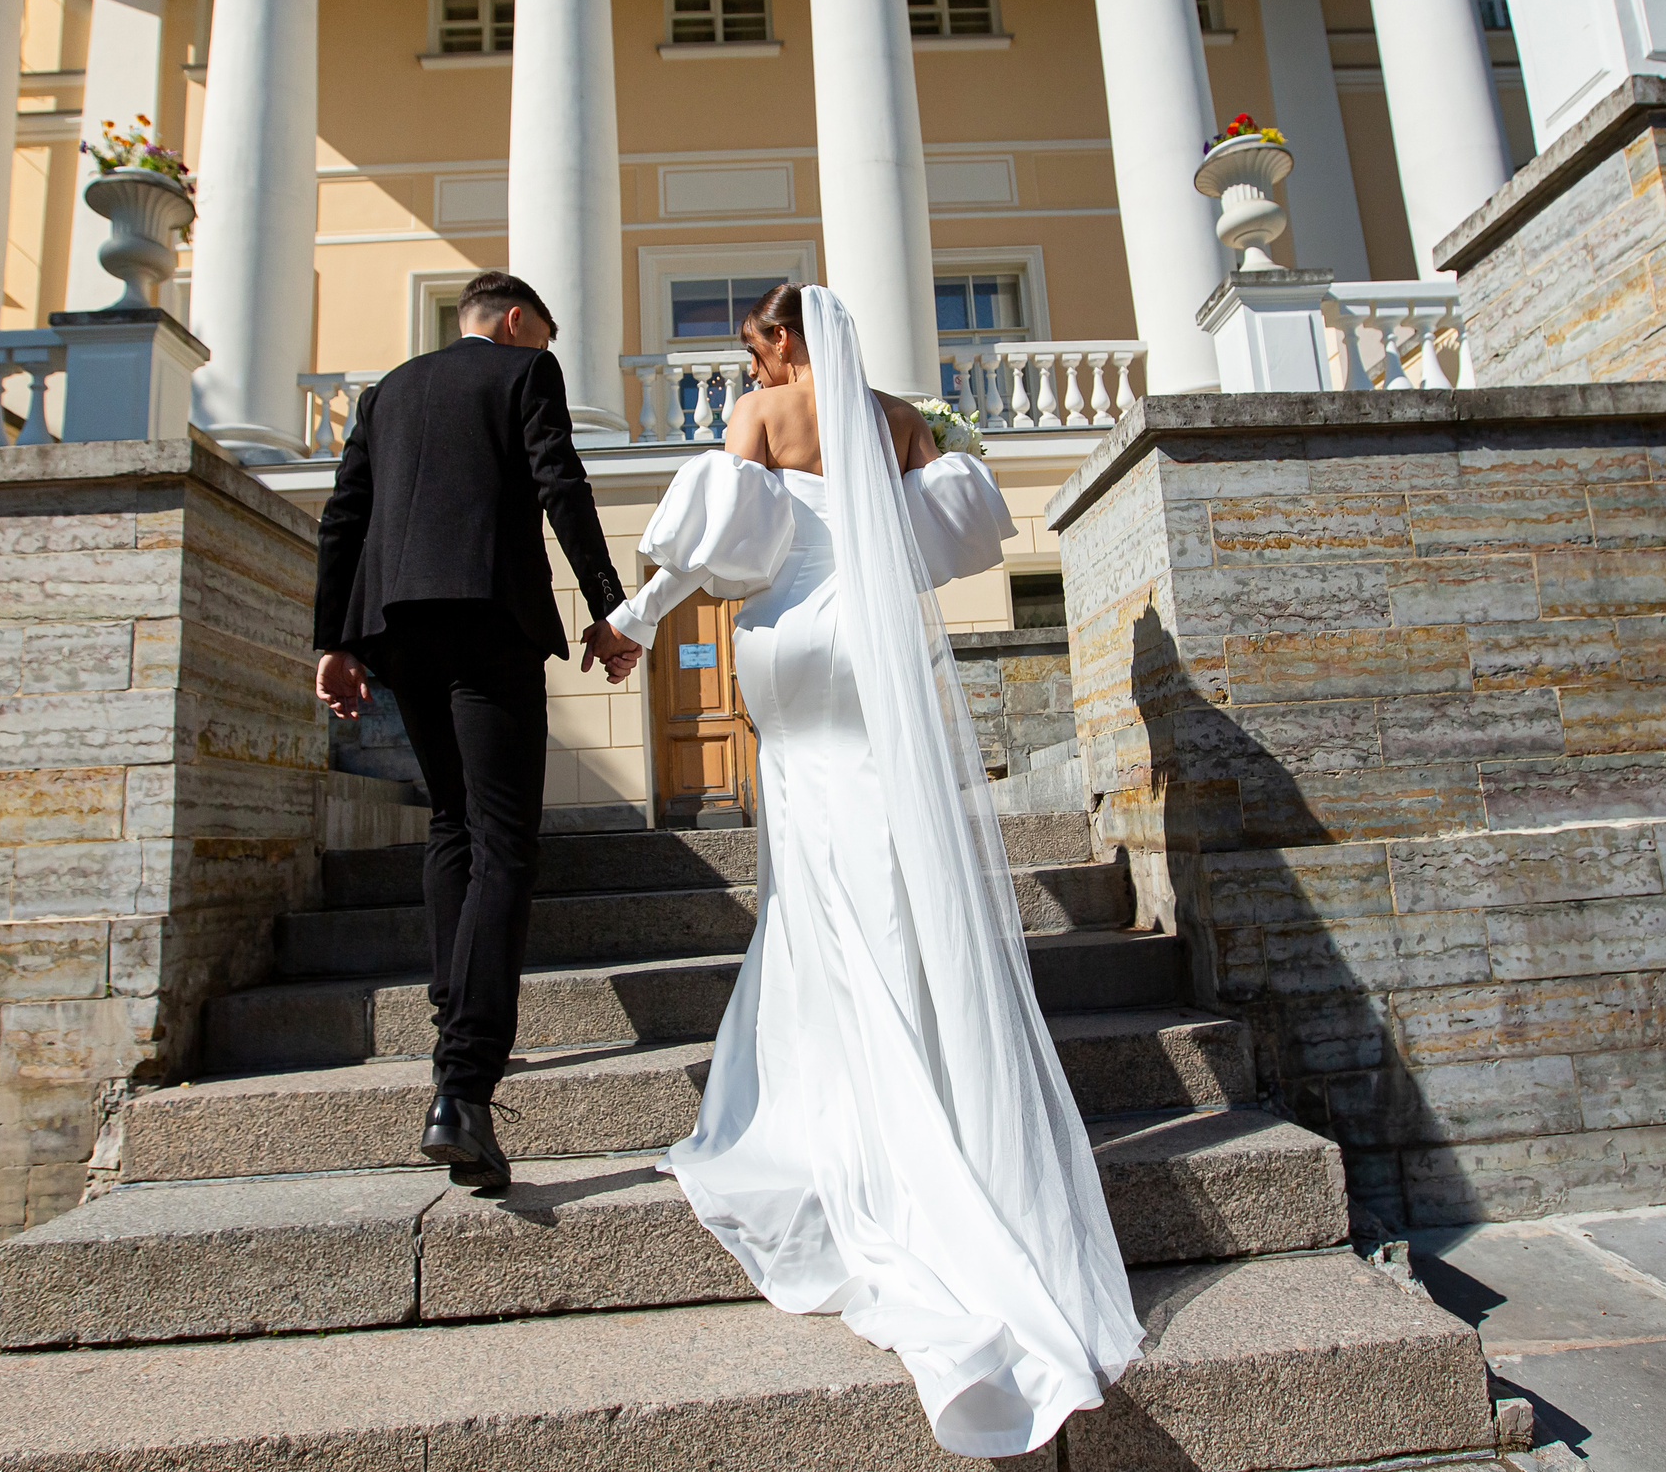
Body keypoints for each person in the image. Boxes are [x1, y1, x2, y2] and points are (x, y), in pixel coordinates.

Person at [600, 284, 1143, 1458]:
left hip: (793, 649)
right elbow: (948, 538)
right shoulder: (906, 419)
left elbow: (712, 554)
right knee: (884, 851)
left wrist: (633, 621)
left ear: (785, 338)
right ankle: (916, 1035)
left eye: (754, 344)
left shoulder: (763, 415)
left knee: (815, 862)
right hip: (874, 657)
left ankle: (849, 1072)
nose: (749, 365)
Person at [313, 270, 642, 1192]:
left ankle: (452, 1020)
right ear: (511, 321)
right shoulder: (522, 373)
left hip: (394, 628)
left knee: (452, 821)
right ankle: (463, 1088)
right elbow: (561, 488)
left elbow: (346, 514)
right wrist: (612, 609)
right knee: (504, 841)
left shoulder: (386, 394)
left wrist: (333, 640)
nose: (546, 351)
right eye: (543, 334)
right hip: (489, 622)